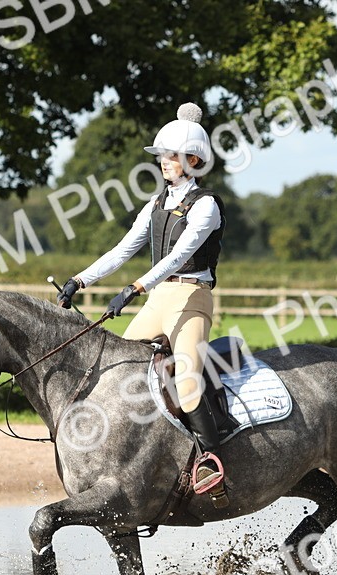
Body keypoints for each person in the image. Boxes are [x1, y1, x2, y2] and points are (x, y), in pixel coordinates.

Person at [56, 102, 227, 493]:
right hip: (158, 300)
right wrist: (80, 280)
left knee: (185, 384)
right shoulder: (156, 205)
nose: (164, 161)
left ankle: (212, 461)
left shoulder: (206, 206)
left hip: (191, 299)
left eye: (171, 155)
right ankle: (133, 458)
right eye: (163, 155)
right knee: (119, 374)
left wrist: (134, 288)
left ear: (194, 160)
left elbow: (178, 257)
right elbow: (121, 250)